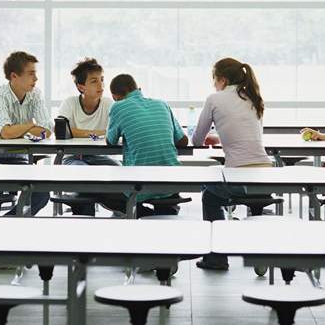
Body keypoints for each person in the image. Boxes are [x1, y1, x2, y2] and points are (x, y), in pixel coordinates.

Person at [191, 58, 273, 270]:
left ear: (223, 80)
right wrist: (220, 139)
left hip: (239, 176)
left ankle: (217, 257)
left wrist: (210, 138)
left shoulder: (215, 99)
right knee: (247, 194)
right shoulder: (253, 98)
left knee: (209, 195)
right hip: (266, 175)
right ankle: (260, 253)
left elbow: (197, 140)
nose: (213, 85)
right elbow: (248, 136)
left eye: (214, 80)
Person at [98, 74, 188, 217]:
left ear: (115, 96)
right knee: (164, 199)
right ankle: (164, 211)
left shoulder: (118, 107)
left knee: (100, 191)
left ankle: (142, 214)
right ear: (139, 89)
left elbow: (111, 141)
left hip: (139, 183)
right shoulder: (162, 104)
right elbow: (183, 141)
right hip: (171, 182)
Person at [0, 50, 51, 216]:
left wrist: (14, 129)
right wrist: (30, 126)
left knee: (42, 194)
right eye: (31, 74)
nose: (36, 79)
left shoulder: (36, 94)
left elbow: (46, 131)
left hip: (21, 158)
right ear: (14, 76)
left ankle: (9, 222)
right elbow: (6, 133)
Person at [58, 58, 119, 215]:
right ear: (81, 87)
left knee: (121, 173)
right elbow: (63, 131)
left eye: (102, 80)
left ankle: (120, 214)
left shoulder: (108, 104)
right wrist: (99, 133)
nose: (101, 85)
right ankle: (85, 214)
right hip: (73, 157)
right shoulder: (70, 103)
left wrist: (77, 131)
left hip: (99, 156)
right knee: (85, 178)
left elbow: (114, 131)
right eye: (94, 81)